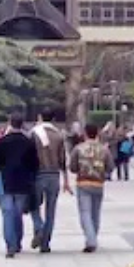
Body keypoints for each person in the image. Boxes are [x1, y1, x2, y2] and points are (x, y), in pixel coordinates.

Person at [0, 112, 39, 258]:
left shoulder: (1, 142)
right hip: (23, 182)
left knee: (7, 213)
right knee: (17, 213)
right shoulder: (29, 142)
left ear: (9, 122)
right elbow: (34, 164)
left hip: (6, 181)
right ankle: (18, 241)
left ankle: (10, 245)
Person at [69, 123, 116, 252]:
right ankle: (93, 237)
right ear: (98, 133)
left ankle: (91, 240)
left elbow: (72, 167)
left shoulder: (78, 149)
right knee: (95, 213)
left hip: (83, 183)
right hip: (98, 184)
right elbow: (111, 167)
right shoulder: (104, 149)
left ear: (85, 133)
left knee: (85, 212)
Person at [29, 109, 70, 254]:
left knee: (34, 206)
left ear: (40, 117)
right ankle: (45, 243)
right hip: (54, 175)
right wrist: (66, 180)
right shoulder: (58, 135)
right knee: (51, 210)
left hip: (38, 174)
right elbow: (63, 159)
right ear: (53, 119)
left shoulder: (34, 133)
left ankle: (38, 227)